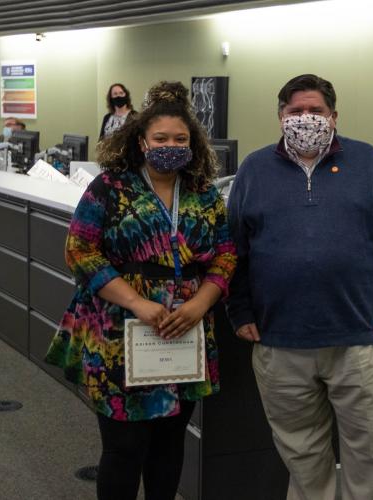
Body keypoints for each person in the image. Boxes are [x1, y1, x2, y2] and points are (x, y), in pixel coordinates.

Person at [226, 74, 373, 500]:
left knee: (371, 455)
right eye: (296, 111)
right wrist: (239, 310)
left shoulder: (369, 163)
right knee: (302, 454)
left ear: (333, 116)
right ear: (280, 116)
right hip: (279, 341)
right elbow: (233, 250)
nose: (305, 118)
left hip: (360, 339)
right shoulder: (254, 170)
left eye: (315, 111)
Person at [46, 80, 237, 500]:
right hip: (120, 328)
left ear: (192, 143)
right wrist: (137, 302)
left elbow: (225, 255)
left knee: (169, 443)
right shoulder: (110, 187)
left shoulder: (204, 194)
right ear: (141, 142)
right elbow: (79, 250)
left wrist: (201, 303)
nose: (171, 146)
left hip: (185, 329)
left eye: (180, 139)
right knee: (125, 447)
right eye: (161, 138)